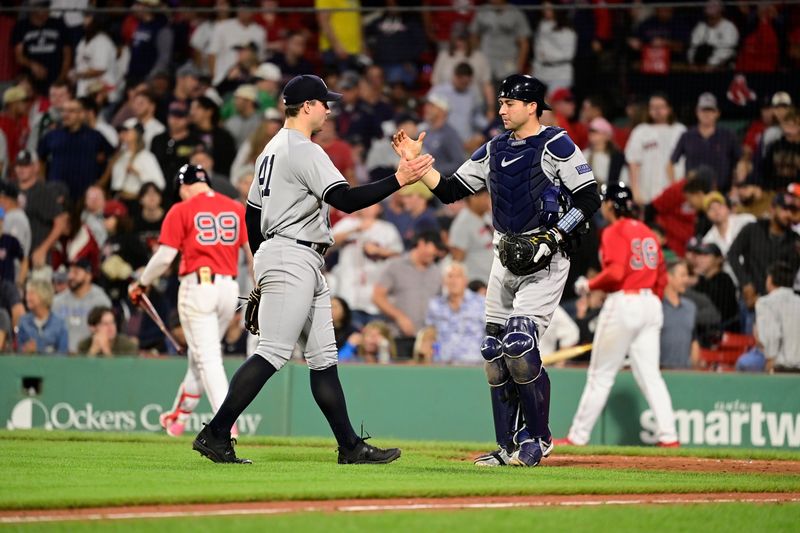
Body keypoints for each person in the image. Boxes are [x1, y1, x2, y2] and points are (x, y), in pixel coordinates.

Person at [191, 74, 434, 464]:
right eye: (324, 103)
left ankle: (350, 447)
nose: (328, 109)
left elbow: (253, 212)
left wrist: (260, 259)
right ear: (307, 107)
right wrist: (401, 179)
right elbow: (346, 200)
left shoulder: (271, 148)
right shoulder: (304, 149)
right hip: (292, 253)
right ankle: (216, 433)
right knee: (272, 352)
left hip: (294, 254)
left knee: (324, 359)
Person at [392, 74, 600, 466]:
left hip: (545, 259)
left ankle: (539, 438)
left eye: (509, 103)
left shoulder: (556, 142)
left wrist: (555, 237)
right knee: (493, 351)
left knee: (520, 344)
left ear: (532, 106)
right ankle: (507, 447)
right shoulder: (493, 148)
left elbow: (590, 196)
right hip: (504, 256)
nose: (502, 109)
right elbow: (452, 190)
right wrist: (415, 165)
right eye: (501, 102)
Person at [128, 164, 250, 438]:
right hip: (229, 289)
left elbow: (163, 257)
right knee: (199, 357)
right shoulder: (235, 208)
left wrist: (141, 283)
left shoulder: (182, 209)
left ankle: (226, 425)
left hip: (198, 287)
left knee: (208, 359)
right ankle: (178, 418)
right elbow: (251, 252)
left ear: (184, 187)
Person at [556, 182, 678, 448]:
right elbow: (661, 277)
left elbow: (616, 273)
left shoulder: (613, 231)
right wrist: (649, 303)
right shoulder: (647, 232)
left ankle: (578, 436)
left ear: (610, 205)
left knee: (601, 375)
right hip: (650, 303)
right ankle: (669, 437)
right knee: (650, 376)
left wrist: (588, 285)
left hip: (626, 301)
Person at [330, 203, 403, 327]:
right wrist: (354, 230)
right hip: (349, 294)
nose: (367, 207)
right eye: (365, 204)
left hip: (375, 299)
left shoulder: (387, 229)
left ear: (379, 208)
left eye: (372, 205)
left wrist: (379, 251)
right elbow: (328, 242)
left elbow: (399, 255)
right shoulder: (348, 223)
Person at [372, 230, 444, 341]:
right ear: (421, 243)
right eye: (433, 249)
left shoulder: (437, 272)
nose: (434, 254)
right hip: (399, 336)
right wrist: (399, 317)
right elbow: (377, 297)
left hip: (426, 339)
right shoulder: (396, 266)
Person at [668, 93, 740, 193]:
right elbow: (670, 163)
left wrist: (736, 186)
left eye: (710, 110)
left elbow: (740, 162)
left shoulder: (728, 135)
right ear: (697, 112)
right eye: (703, 110)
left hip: (722, 193)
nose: (706, 114)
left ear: (717, 113)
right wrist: (675, 186)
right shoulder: (687, 136)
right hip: (694, 194)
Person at [625, 93, 686, 205]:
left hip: (674, 192)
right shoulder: (640, 131)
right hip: (647, 193)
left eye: (661, 107)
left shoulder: (680, 130)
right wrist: (635, 190)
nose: (657, 111)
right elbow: (633, 162)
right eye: (653, 107)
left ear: (669, 109)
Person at [424, 262, 485, 364]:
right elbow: (429, 333)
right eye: (450, 276)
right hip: (442, 365)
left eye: (458, 276)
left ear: (465, 280)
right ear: (444, 281)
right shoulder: (435, 305)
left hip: (474, 365)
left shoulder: (482, 303)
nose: (454, 281)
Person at [51, 259, 112, 353]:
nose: (70, 276)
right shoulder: (57, 301)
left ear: (88, 276)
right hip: (62, 356)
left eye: (76, 272)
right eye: (70, 272)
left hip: (91, 355)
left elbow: (106, 331)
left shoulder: (100, 300)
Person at [755, 262, 800, 373]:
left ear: (770, 279)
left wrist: (770, 359)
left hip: (781, 368)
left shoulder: (765, 303)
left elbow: (772, 335)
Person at [448, 189, 493, 285]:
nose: (488, 200)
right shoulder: (462, 223)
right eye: (485, 197)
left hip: (491, 280)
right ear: (473, 198)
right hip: (476, 283)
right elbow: (457, 260)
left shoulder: (487, 216)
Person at [660, 259, 699, 369]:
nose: (687, 279)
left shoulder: (691, 307)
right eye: (682, 275)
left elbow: (694, 340)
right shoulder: (657, 306)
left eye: (687, 276)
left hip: (685, 372)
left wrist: (694, 367)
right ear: (668, 277)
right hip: (660, 370)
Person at [693, 242, 739, 332]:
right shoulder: (699, 280)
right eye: (698, 255)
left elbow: (719, 313)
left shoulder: (724, 280)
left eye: (705, 255)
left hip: (723, 334)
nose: (700, 259)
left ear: (718, 259)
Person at [17, 279, 69, 355]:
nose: (27, 297)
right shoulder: (23, 321)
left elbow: (63, 354)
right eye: (27, 293)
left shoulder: (60, 323)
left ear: (44, 296)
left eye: (32, 293)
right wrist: (25, 350)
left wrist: (40, 351)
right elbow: (18, 352)